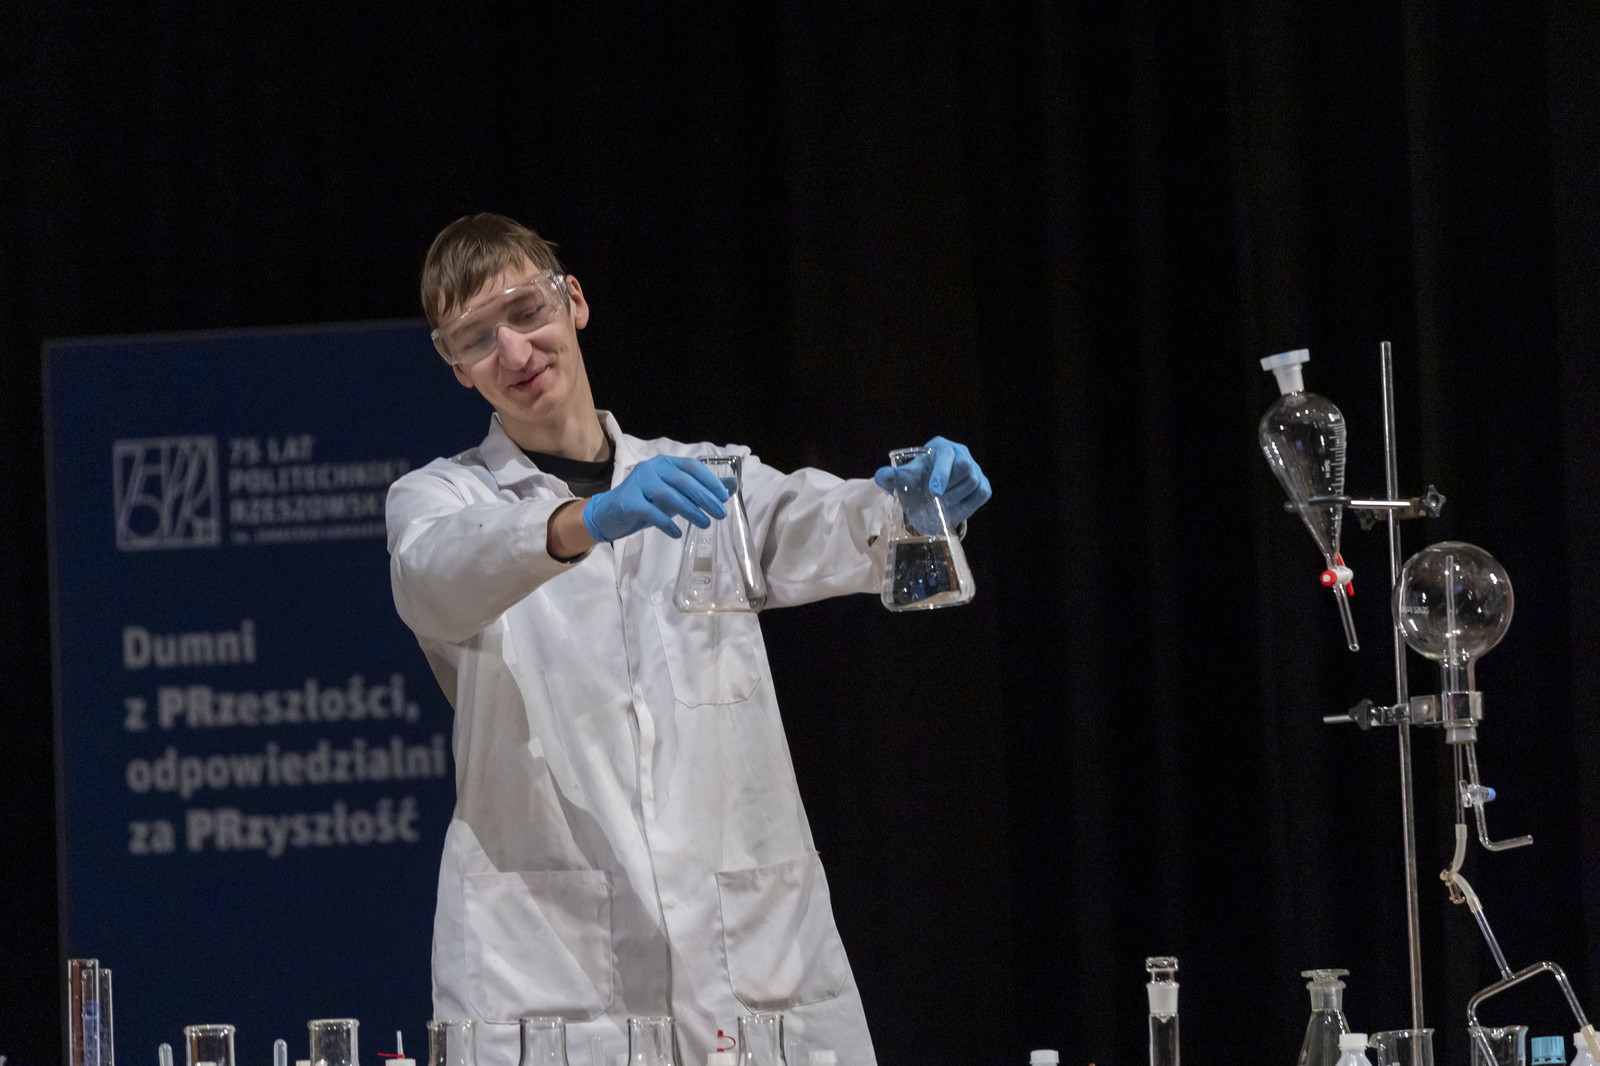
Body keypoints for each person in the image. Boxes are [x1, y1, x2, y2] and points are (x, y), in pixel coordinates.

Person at [385, 214, 991, 1066]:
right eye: (476, 338)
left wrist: (911, 506)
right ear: (455, 366)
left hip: (744, 956)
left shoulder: (708, 481)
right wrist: (584, 520)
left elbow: (823, 523)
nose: (513, 351)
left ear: (574, 301)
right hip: (548, 966)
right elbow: (436, 575)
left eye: (526, 312)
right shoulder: (439, 499)